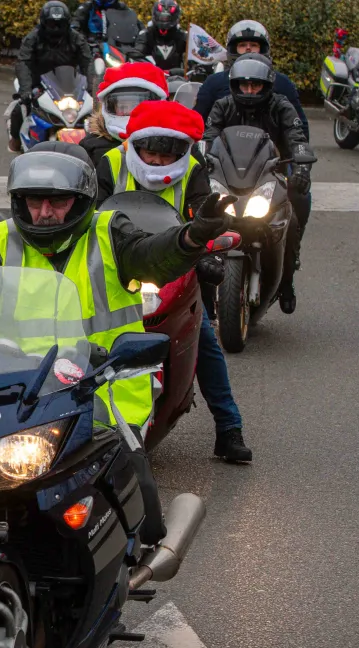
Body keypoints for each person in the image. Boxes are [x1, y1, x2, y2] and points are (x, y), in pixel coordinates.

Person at [0, 143, 236, 542]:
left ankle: (138, 556)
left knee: (132, 500)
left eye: (57, 202)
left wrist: (193, 235)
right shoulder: (0, 239)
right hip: (16, 390)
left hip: (104, 392)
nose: (44, 213)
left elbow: (154, 256)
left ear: (80, 201)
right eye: (34, 202)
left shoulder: (110, 232)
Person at [95, 100, 252, 462]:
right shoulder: (110, 163)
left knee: (204, 340)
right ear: (134, 144)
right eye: (149, 152)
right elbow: (89, 214)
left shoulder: (195, 171)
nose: (157, 161)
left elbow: (205, 219)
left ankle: (229, 428)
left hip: (175, 270)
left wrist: (209, 255)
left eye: (167, 154)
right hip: (114, 266)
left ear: (183, 150)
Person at [203, 53, 313, 314]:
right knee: (197, 213)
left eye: (256, 85)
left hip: (271, 176)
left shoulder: (282, 106)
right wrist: (200, 162)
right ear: (235, 85)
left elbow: (298, 139)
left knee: (293, 216)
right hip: (228, 177)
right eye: (244, 85)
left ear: (267, 85)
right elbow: (207, 139)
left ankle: (287, 279)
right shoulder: (222, 106)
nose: (250, 90)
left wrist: (302, 168)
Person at [8, 1, 97, 153]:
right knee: (20, 108)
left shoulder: (76, 38)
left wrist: (92, 88)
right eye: (51, 24)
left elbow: (88, 62)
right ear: (44, 22)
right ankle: (15, 140)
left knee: (92, 114)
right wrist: (25, 89)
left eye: (59, 24)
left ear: (66, 23)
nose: (55, 28)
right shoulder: (33, 38)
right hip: (38, 83)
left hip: (69, 84)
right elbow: (23, 62)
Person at [192, 20, 307, 136]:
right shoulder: (214, 83)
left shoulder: (282, 82)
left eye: (254, 45)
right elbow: (196, 123)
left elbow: (300, 128)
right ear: (233, 49)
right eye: (242, 45)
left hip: (272, 146)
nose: (248, 49)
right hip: (223, 146)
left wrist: (298, 147)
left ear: (263, 49)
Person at [80, 61, 168, 166]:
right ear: (109, 107)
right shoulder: (91, 145)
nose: (129, 113)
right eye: (123, 107)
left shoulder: (168, 142)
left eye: (137, 107)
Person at [138, 0, 186, 71]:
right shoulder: (146, 34)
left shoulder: (182, 36)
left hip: (177, 76)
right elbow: (137, 54)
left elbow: (195, 57)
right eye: (162, 18)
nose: (164, 21)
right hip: (151, 74)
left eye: (167, 18)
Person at [73, 0, 137, 47]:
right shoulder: (87, 6)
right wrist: (81, 39)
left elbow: (136, 23)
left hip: (117, 45)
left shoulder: (121, 7)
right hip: (92, 45)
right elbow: (75, 24)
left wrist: (139, 42)